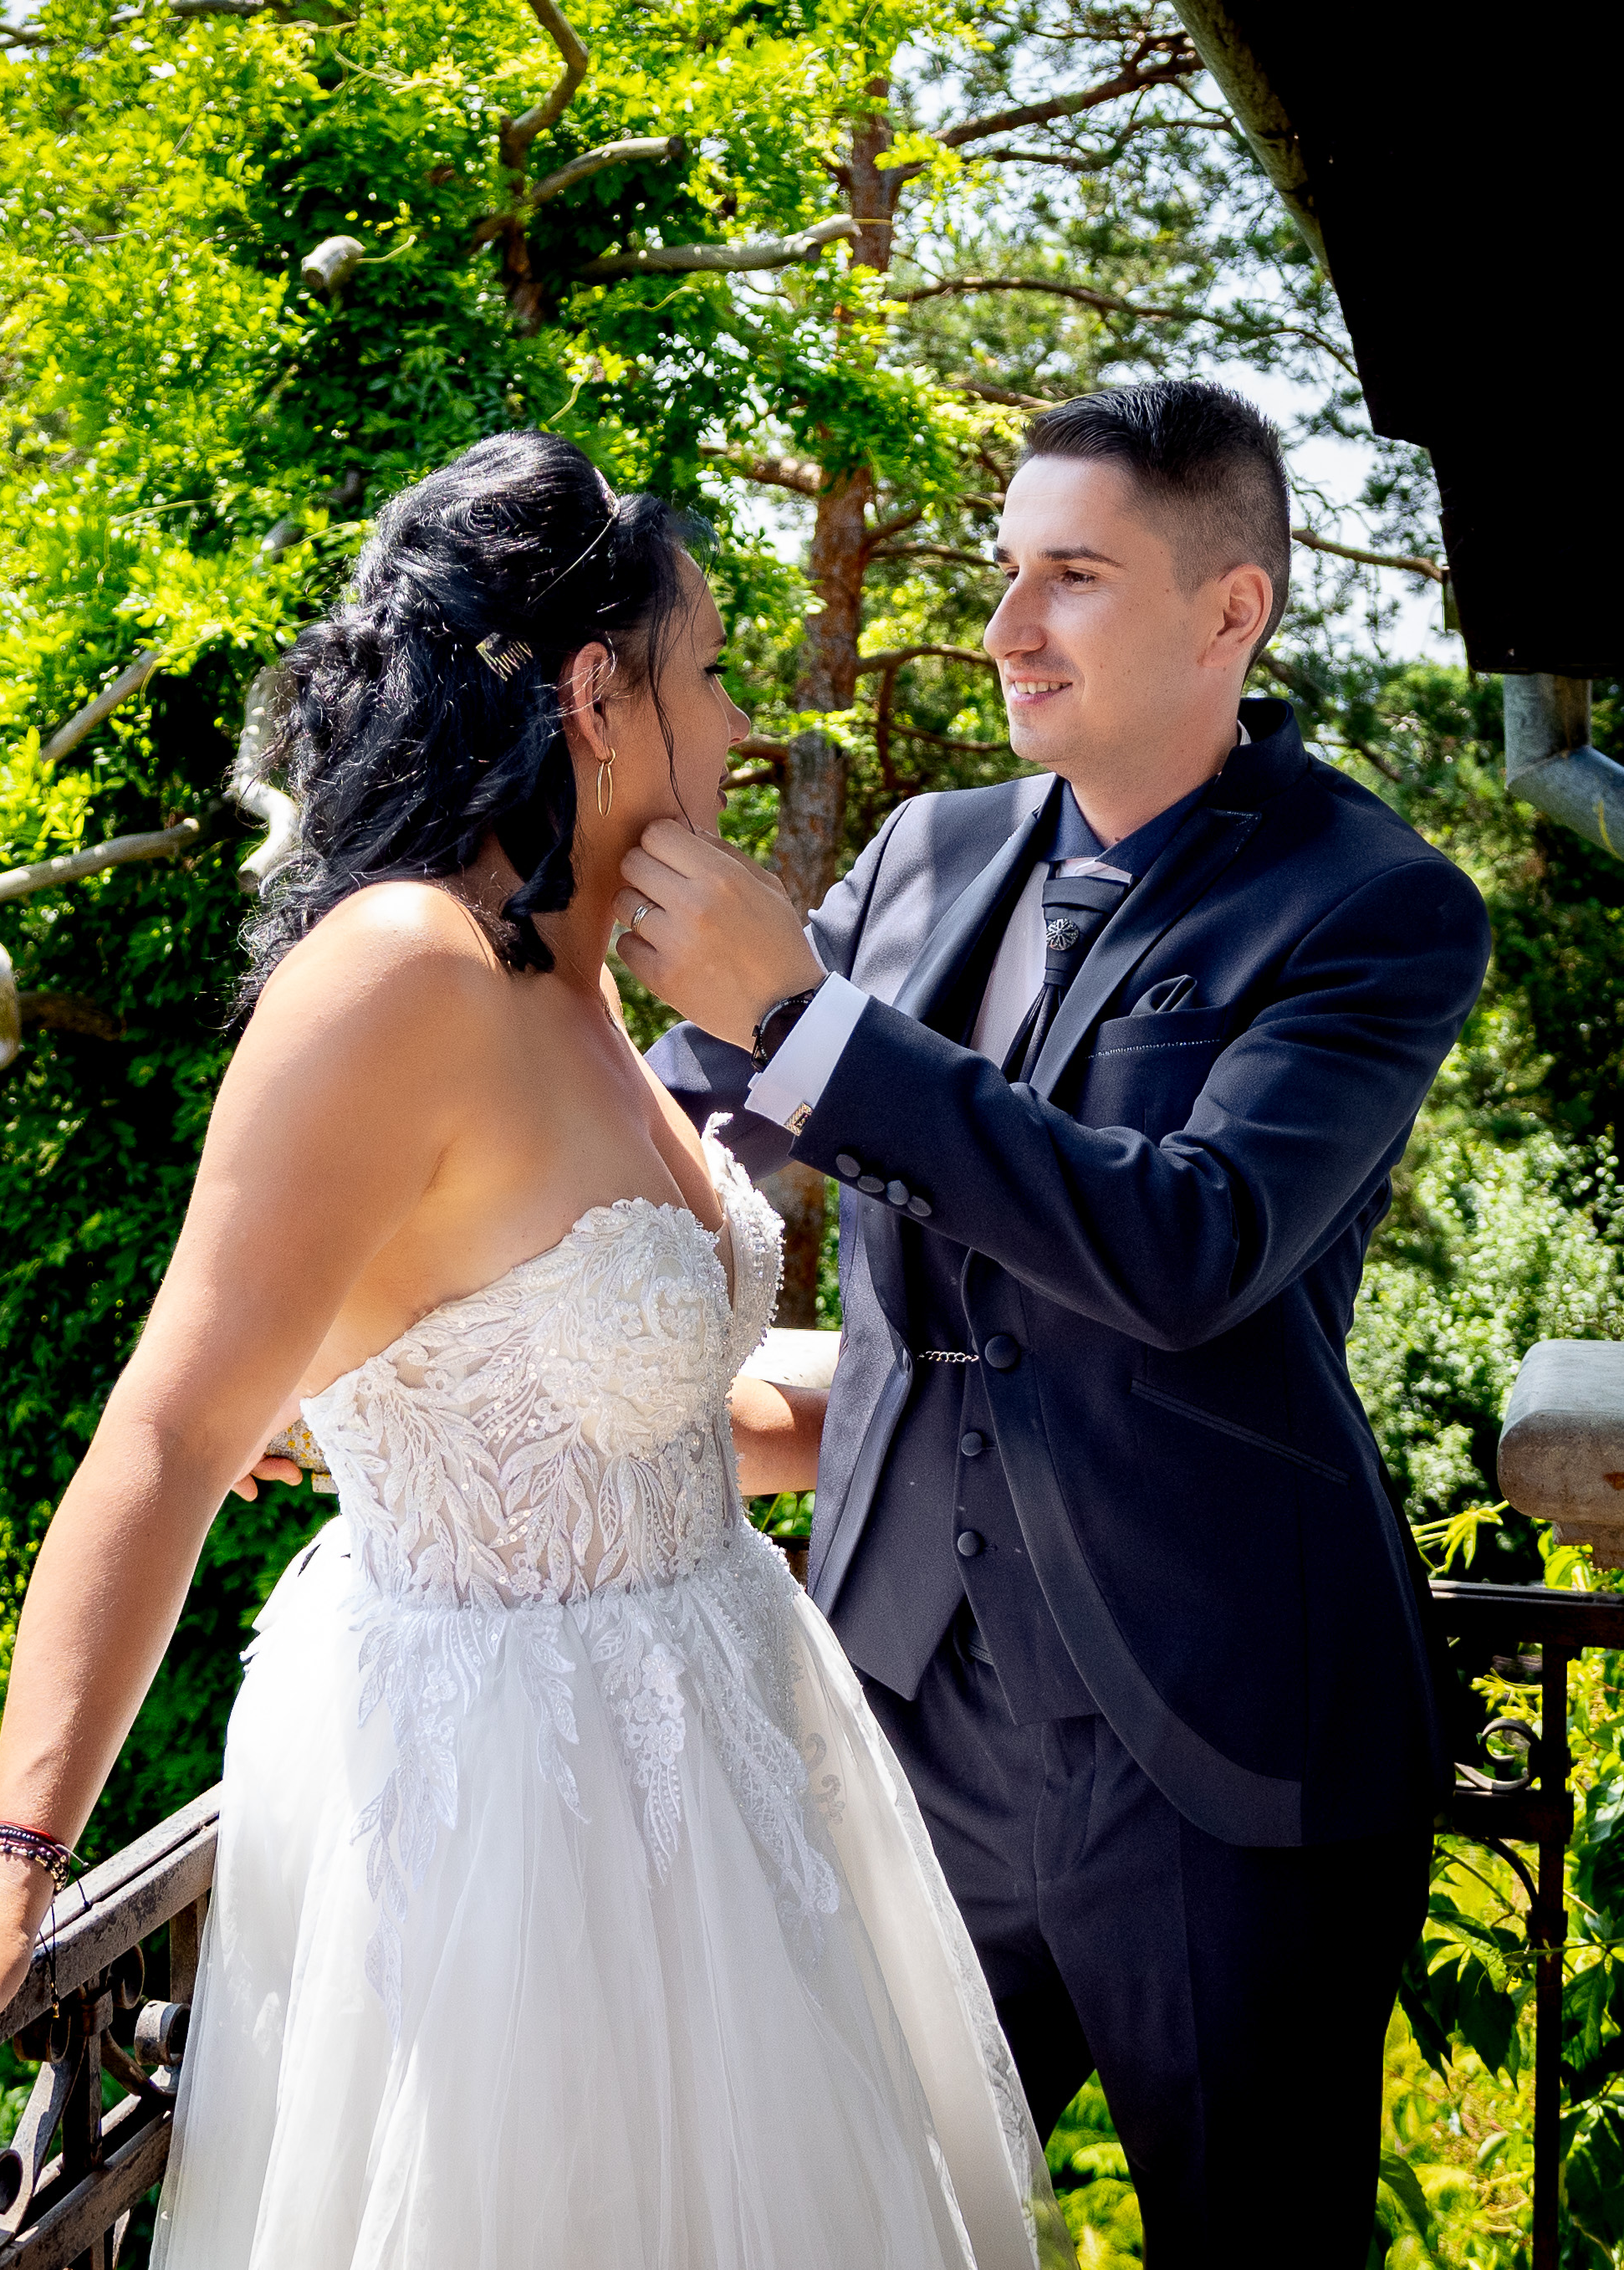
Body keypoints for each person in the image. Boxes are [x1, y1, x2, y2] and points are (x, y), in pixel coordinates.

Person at [0, 433, 1070, 2270]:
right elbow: (169, 1435)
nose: (741, 726)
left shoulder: (585, 979)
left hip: (720, 1779)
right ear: (598, 694)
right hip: (511, 1839)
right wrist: (10, 1873)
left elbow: (644, 1408)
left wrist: (1016, 1398)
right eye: (713, 673)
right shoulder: (402, 967)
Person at [626, 381, 1492, 2267]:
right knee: (855, 2229)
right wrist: (395, 1331)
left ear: (1231, 609)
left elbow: (1192, 1243)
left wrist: (814, 1024)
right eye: (1007, 569)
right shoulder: (924, 853)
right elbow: (669, 1137)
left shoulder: (1376, 906)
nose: (1008, 624)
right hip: (903, 1720)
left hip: (1221, 1738)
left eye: (1073, 576)